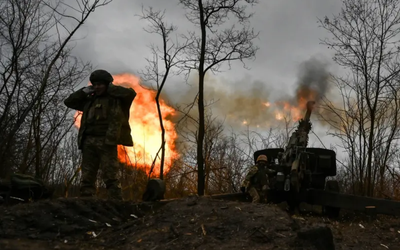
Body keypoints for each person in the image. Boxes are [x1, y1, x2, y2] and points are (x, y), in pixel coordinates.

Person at [64, 69, 136, 200]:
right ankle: (87, 201)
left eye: (100, 84)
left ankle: (116, 203)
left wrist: (110, 88)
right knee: (87, 175)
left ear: (107, 84)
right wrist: (83, 91)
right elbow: (69, 102)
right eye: (95, 84)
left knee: (110, 175)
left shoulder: (116, 99)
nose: (97, 87)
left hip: (107, 141)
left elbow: (130, 94)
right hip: (88, 141)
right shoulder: (89, 100)